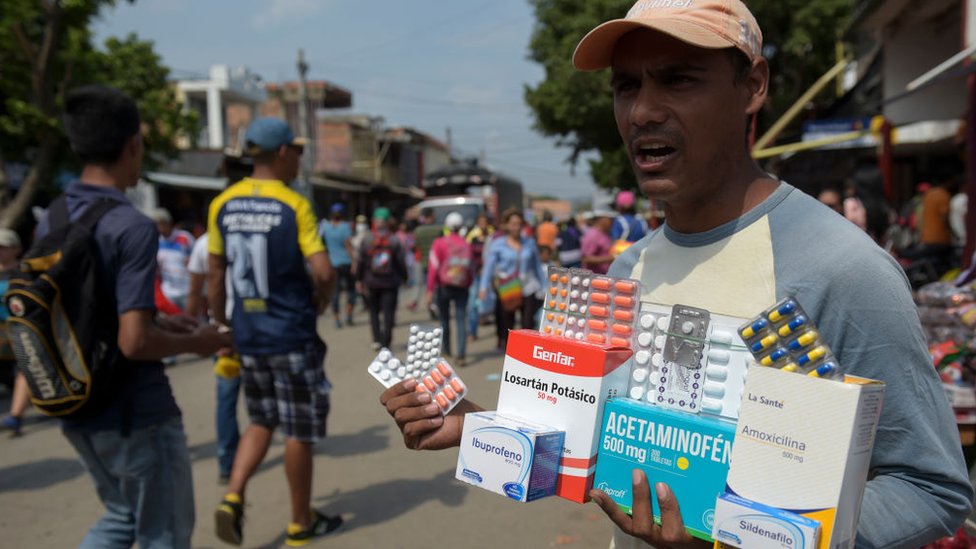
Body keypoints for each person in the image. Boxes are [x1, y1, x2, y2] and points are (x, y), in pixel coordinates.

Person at [378, 2, 974, 548]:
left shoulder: (842, 269)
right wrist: (477, 426)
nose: (642, 111)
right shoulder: (626, 270)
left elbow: (930, 488)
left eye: (678, 79)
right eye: (626, 86)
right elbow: (594, 452)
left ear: (753, 87)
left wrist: (742, 538)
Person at [53, 84, 231, 549]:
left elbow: (92, 312)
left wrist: (160, 323)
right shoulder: (130, 224)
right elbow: (134, 342)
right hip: (135, 411)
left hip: (74, 401)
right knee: (164, 534)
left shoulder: (55, 213)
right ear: (134, 143)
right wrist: (199, 342)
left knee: (122, 516)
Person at [208, 117, 341, 547]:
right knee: (298, 430)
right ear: (283, 152)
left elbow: (215, 274)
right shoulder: (293, 204)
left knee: (260, 419)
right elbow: (323, 270)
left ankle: (233, 495)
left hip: (248, 334)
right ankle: (301, 522)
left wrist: (222, 324)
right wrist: (320, 301)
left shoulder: (222, 204)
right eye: (297, 151)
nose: (299, 159)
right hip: (290, 334)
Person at [186, 230, 241, 485]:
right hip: (253, 331)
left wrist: (198, 328)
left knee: (227, 400)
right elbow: (206, 285)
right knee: (264, 402)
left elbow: (196, 290)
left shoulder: (204, 243)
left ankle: (228, 463)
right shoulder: (256, 229)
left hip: (224, 332)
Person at [479, 208, 547, 350]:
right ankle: (509, 353)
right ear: (507, 225)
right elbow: (489, 267)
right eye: (513, 224)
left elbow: (537, 267)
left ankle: (525, 354)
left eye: (519, 224)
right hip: (507, 288)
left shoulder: (530, 243)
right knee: (506, 324)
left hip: (528, 287)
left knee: (527, 324)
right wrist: (483, 287)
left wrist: (544, 286)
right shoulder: (498, 244)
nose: (516, 227)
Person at [356, 207, 409, 351]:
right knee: (389, 313)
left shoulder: (367, 239)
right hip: (390, 283)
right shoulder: (394, 240)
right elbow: (401, 262)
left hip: (371, 282)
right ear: (388, 222)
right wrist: (404, 278)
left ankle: (376, 340)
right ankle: (386, 341)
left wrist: (359, 279)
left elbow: (360, 261)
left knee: (373, 312)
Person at [426, 212, 474, 366]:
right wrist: (468, 283)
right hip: (462, 286)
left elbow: (433, 267)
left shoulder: (439, 243)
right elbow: (471, 268)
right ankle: (461, 354)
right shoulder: (466, 244)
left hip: (444, 286)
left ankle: (446, 349)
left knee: (444, 320)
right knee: (461, 320)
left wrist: (429, 289)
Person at [0, 229, 27, 437]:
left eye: (3, 247)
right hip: (2, 333)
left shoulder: (25, 271)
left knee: (24, 368)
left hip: (22, 329)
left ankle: (15, 416)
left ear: (16, 248)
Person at [318, 203, 356, 328]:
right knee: (351, 290)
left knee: (335, 292)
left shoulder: (326, 227)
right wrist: (354, 262)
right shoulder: (345, 227)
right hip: (346, 262)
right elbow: (348, 246)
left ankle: (337, 319)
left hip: (332, 263)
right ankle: (349, 316)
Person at [154, 207, 195, 311]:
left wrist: (191, 260)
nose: (159, 228)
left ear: (168, 223)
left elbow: (196, 257)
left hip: (187, 290)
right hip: (168, 292)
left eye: (161, 224)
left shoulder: (184, 237)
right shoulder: (157, 242)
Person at [465, 213, 494, 341]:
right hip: (475, 275)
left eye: (485, 222)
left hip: (490, 275)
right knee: (472, 304)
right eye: (480, 222)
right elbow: (467, 255)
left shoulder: (492, 236)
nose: (483, 225)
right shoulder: (472, 236)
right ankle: (472, 331)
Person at [410, 208, 442, 315]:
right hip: (437, 263)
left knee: (426, 285)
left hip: (423, 262)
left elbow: (414, 246)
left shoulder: (418, 231)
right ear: (432, 216)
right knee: (436, 286)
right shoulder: (440, 229)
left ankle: (429, 304)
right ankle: (434, 304)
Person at [581, 210, 616, 274]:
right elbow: (586, 258)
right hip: (594, 278)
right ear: (602, 219)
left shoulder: (604, 233)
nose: (612, 222)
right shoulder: (592, 235)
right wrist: (611, 258)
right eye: (610, 219)